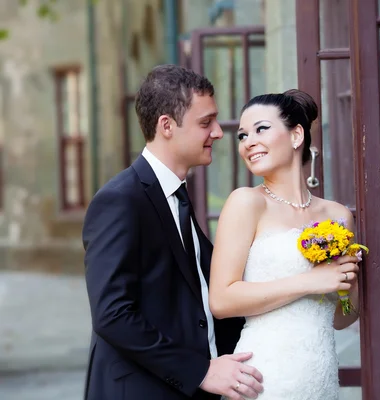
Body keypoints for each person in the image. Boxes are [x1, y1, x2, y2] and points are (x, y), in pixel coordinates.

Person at [82, 64, 264, 400]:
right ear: (167, 125)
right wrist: (201, 371)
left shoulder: (177, 196)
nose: (218, 132)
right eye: (205, 122)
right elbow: (112, 314)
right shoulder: (120, 200)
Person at [209, 89, 362, 400]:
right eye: (242, 135)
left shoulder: (338, 215)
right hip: (265, 379)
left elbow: (343, 317)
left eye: (261, 129)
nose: (248, 142)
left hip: (321, 380)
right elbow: (222, 300)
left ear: (296, 135)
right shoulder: (246, 203)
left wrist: (346, 282)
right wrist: (310, 281)